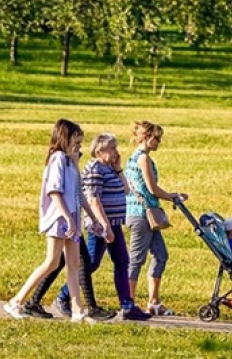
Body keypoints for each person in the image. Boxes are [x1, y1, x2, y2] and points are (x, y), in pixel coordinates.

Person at [4, 119, 102, 324]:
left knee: (74, 263)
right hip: (59, 217)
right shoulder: (57, 159)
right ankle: (17, 300)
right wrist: (67, 217)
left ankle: (77, 311)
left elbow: (78, 193)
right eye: (76, 140)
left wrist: (92, 217)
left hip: (72, 217)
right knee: (52, 262)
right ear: (65, 138)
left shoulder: (70, 162)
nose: (79, 146)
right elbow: (55, 192)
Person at [50, 133, 152, 321]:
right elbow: (93, 200)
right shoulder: (95, 169)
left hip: (114, 224)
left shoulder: (109, 168)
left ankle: (127, 306)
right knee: (91, 263)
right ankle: (64, 296)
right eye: (112, 148)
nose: (116, 152)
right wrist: (104, 226)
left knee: (122, 262)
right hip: (100, 226)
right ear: (99, 151)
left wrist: (119, 168)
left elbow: (127, 190)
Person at [125, 121, 189, 317]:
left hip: (149, 214)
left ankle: (153, 301)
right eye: (156, 138)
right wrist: (173, 195)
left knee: (161, 255)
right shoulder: (142, 158)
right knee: (136, 260)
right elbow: (152, 189)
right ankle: (128, 302)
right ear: (146, 138)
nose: (159, 142)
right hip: (141, 214)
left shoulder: (137, 158)